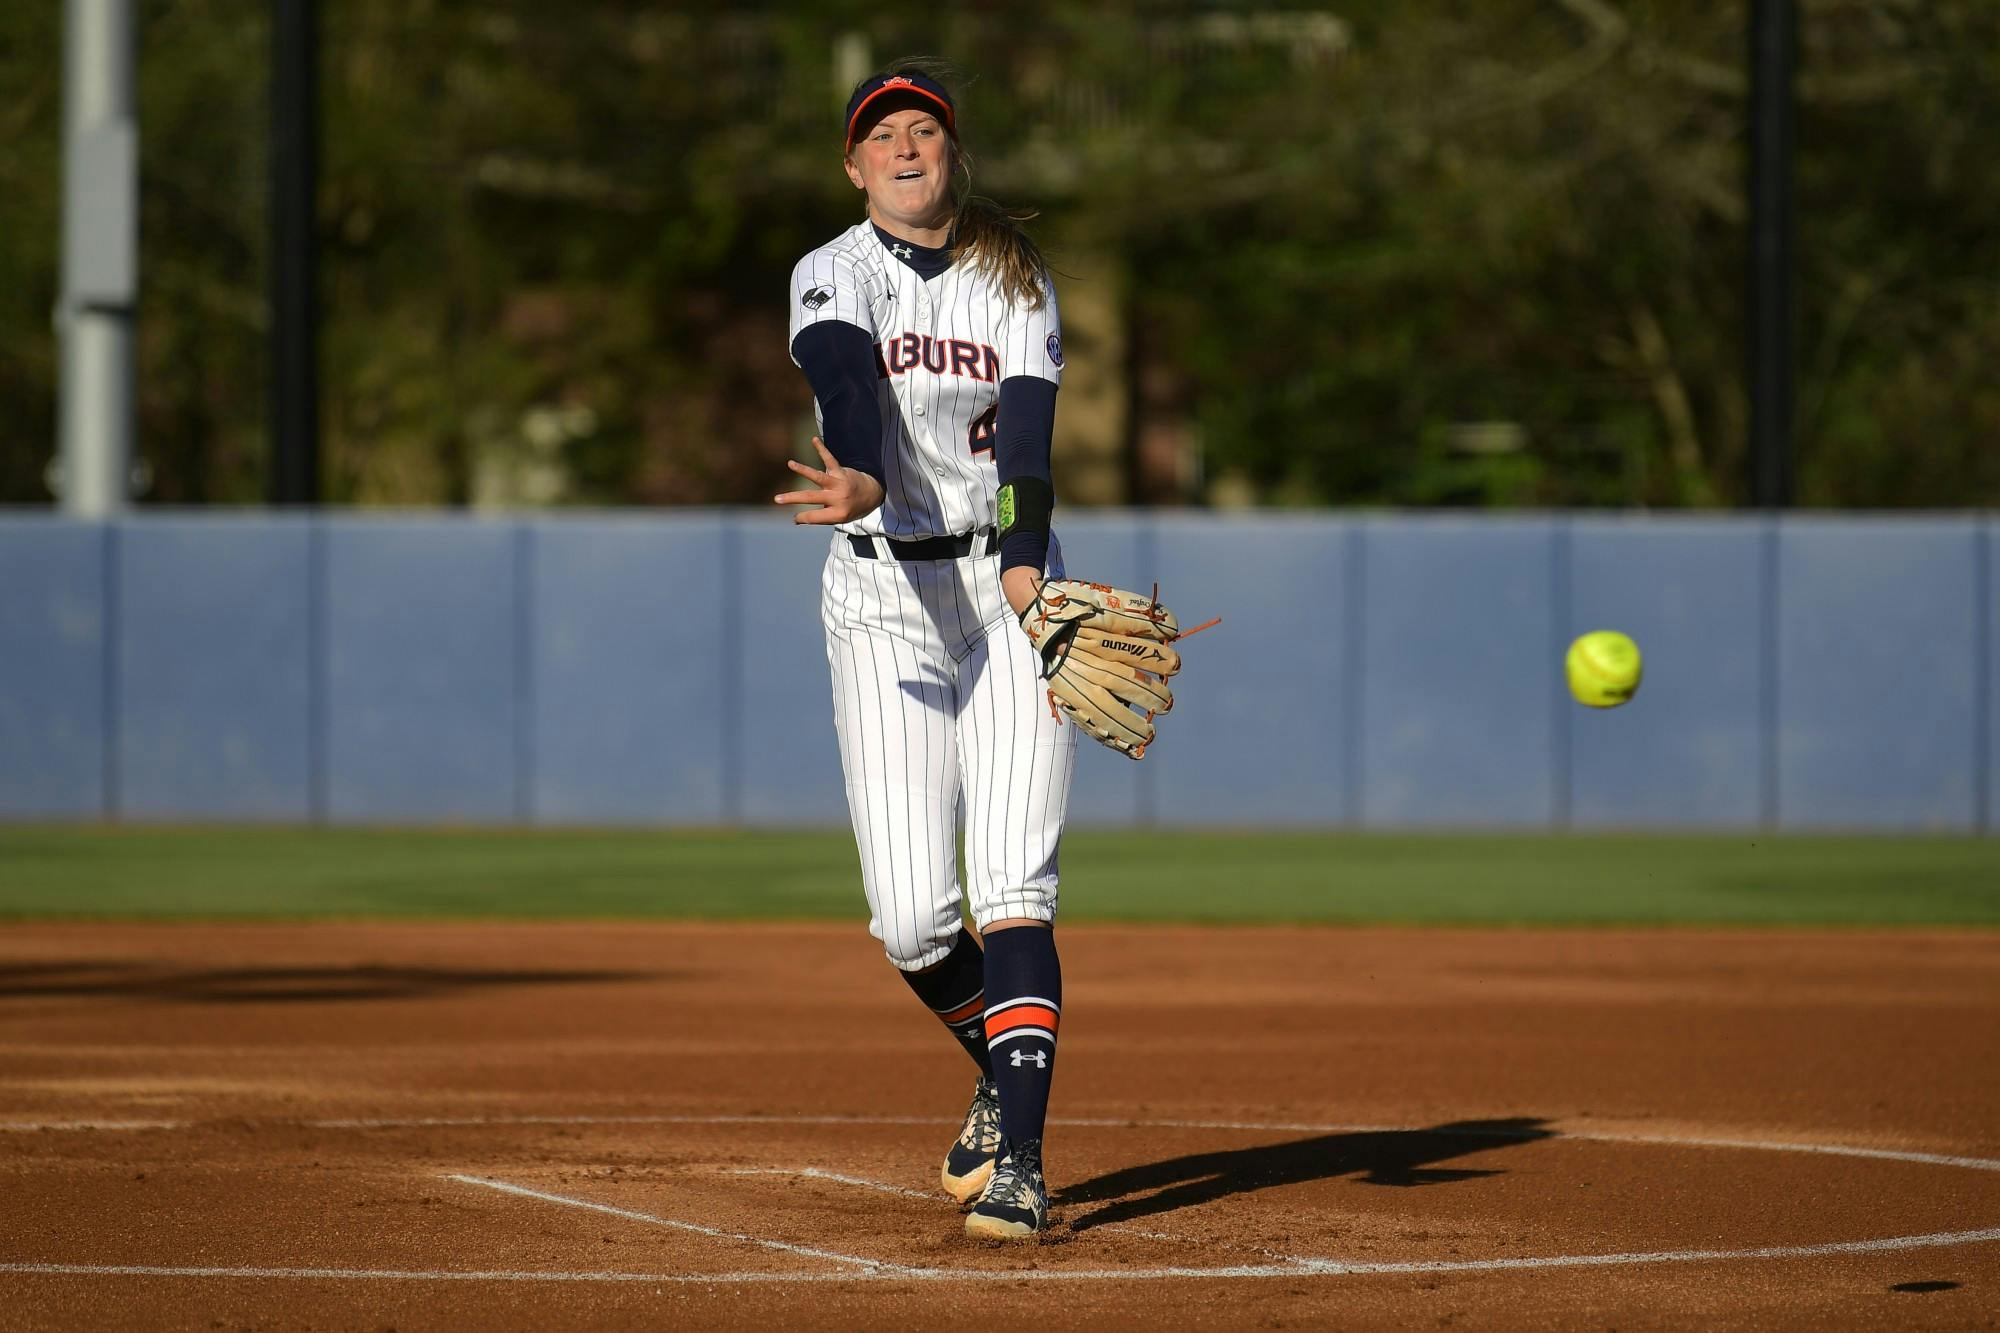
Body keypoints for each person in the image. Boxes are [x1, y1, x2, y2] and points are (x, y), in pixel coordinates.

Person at [777, 61, 1075, 1242]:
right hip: (878, 595)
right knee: (909, 919)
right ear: (853, 167)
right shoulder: (830, 269)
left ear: (953, 154)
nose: (905, 148)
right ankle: (999, 1073)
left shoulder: (1014, 275)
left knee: (1012, 887)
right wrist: (858, 470)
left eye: (924, 131)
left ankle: (1022, 1166)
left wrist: (1026, 566)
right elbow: (841, 375)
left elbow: (1030, 444)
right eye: (883, 135)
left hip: (1005, 589)